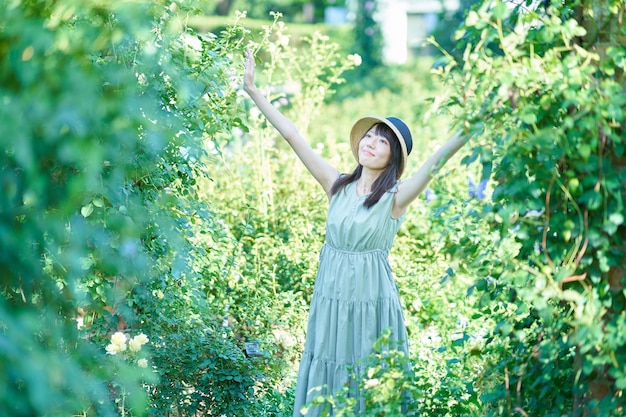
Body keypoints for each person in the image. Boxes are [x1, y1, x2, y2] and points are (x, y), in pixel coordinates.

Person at [243, 48, 467, 416]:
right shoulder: (337, 184)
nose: (370, 143)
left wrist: (473, 124)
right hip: (331, 293)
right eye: (369, 136)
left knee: (368, 368)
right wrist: (254, 91)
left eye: (382, 141)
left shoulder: (395, 197)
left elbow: (435, 163)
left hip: (370, 298)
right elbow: (292, 135)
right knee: (329, 362)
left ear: (392, 156)